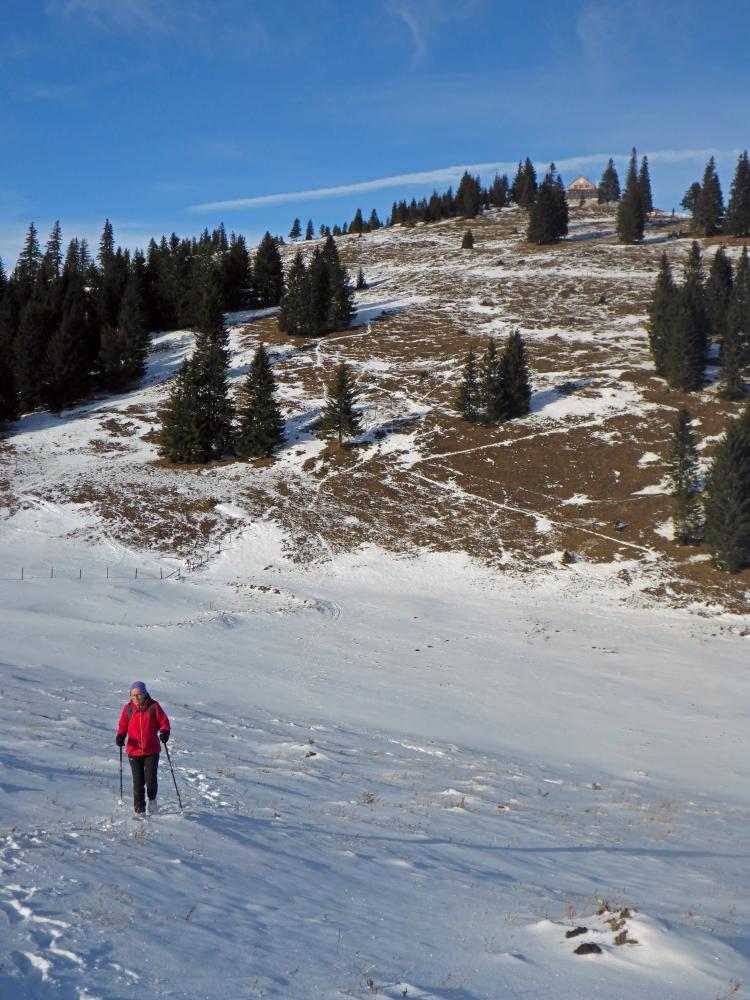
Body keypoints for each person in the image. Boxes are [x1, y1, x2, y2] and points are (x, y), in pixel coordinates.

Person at [115, 681, 170, 815]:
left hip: (152, 750)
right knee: (138, 782)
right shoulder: (128, 709)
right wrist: (121, 736)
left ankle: (152, 801)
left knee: (150, 780)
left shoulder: (154, 707)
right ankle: (139, 811)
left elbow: (164, 722)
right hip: (134, 751)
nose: (136, 698)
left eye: (138, 694)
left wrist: (165, 732)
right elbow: (123, 725)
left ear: (144, 694)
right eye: (133, 695)